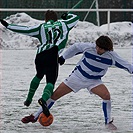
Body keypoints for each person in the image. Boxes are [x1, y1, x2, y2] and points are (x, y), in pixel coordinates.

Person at [21, 35, 133, 130]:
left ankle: (108, 122)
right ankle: (35, 116)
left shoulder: (112, 57)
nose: (98, 50)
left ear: (107, 49)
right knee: (54, 95)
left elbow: (127, 65)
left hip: (94, 81)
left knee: (106, 95)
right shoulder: (89, 48)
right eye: (98, 47)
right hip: (77, 77)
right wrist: (63, 57)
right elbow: (75, 47)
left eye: (101, 49)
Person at [0, 10, 79, 117]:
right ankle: (43, 99)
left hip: (40, 54)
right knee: (50, 81)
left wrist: (8, 25)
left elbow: (25, 30)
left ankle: (28, 99)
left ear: (46, 19)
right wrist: (66, 16)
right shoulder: (65, 24)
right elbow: (75, 18)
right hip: (53, 53)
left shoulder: (41, 27)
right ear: (56, 18)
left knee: (39, 75)